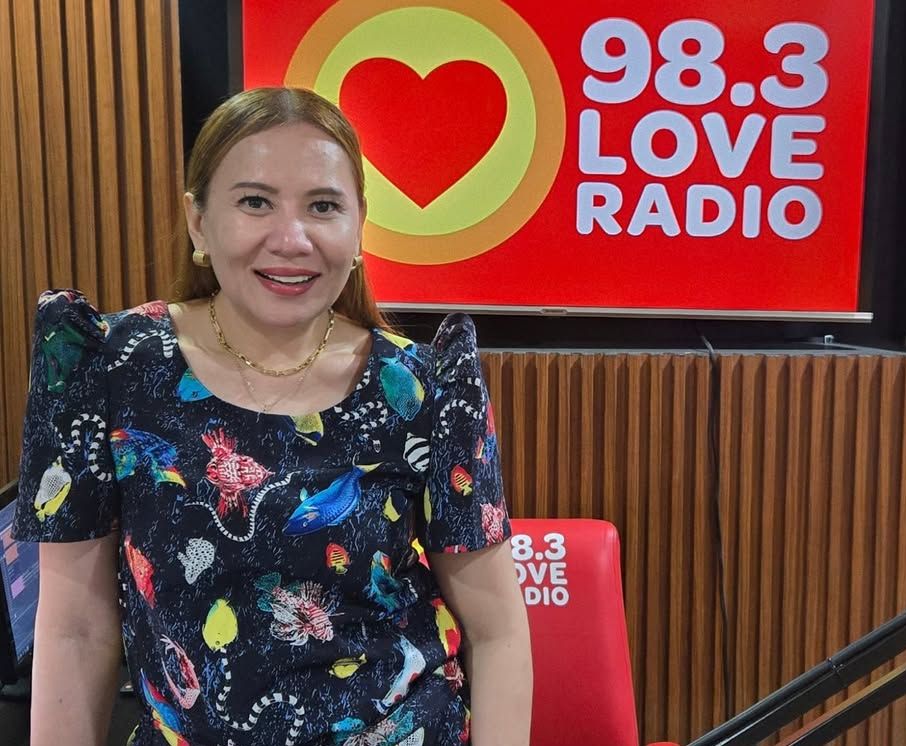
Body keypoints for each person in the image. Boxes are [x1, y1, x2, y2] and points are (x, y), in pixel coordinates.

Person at [13, 87, 532, 746]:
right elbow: (74, 630)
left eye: (323, 206)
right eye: (255, 202)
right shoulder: (104, 367)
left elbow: (497, 630)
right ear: (199, 222)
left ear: (358, 226)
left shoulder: (424, 385)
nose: (291, 239)